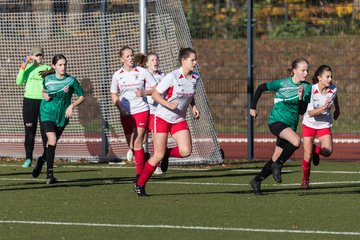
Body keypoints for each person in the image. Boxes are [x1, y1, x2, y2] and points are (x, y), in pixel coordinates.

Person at [134, 47, 200, 196]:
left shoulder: (196, 77)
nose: (195, 62)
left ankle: (167, 154)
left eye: (196, 60)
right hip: (162, 117)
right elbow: (156, 95)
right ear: (183, 61)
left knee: (186, 151)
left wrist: (194, 106)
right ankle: (140, 184)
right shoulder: (172, 76)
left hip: (178, 119)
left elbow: (190, 94)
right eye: (192, 60)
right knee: (157, 155)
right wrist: (169, 104)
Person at [249, 57, 312, 195]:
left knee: (275, 157)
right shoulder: (282, 83)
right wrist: (252, 107)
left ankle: (257, 180)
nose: (306, 73)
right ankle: (279, 165)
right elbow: (261, 88)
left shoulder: (307, 87)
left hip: (290, 125)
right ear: (294, 71)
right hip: (276, 122)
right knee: (296, 141)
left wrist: (300, 97)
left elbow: (302, 111)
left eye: (307, 70)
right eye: (303, 70)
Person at [32, 54, 85, 184]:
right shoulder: (48, 78)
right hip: (47, 113)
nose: (63, 67)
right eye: (60, 65)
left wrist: (72, 106)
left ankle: (41, 160)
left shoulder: (71, 80)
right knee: (52, 140)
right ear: (54, 66)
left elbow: (82, 96)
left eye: (65, 64)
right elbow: (44, 91)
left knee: (51, 145)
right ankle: (50, 175)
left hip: (62, 116)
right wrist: (44, 95)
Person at [110, 46, 157, 182]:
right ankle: (143, 157)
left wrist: (144, 93)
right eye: (127, 56)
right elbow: (113, 93)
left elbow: (155, 88)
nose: (130, 58)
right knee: (132, 145)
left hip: (141, 110)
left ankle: (139, 175)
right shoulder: (117, 74)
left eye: (132, 55)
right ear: (122, 59)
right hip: (126, 113)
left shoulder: (142, 72)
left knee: (137, 142)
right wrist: (120, 108)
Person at [301, 65, 340, 189]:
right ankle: (305, 181)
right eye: (327, 77)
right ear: (319, 78)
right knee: (307, 156)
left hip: (324, 124)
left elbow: (335, 96)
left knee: (327, 152)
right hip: (309, 124)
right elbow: (310, 113)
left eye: (331, 77)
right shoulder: (311, 91)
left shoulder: (333, 88)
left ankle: (315, 150)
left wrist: (337, 109)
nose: (330, 79)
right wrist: (324, 107)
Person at [16, 46, 51, 168]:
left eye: (40, 55)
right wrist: (24, 65)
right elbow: (19, 81)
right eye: (36, 55)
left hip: (44, 102)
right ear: (32, 56)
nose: (39, 57)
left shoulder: (47, 69)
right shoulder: (28, 68)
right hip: (29, 102)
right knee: (29, 132)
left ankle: (46, 158)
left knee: (45, 132)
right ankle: (28, 158)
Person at [142, 52, 166, 175]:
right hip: (144, 109)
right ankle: (137, 152)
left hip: (158, 112)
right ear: (146, 63)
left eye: (156, 59)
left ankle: (156, 165)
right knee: (142, 139)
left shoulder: (163, 75)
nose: (155, 62)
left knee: (157, 139)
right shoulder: (142, 75)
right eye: (152, 60)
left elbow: (160, 91)